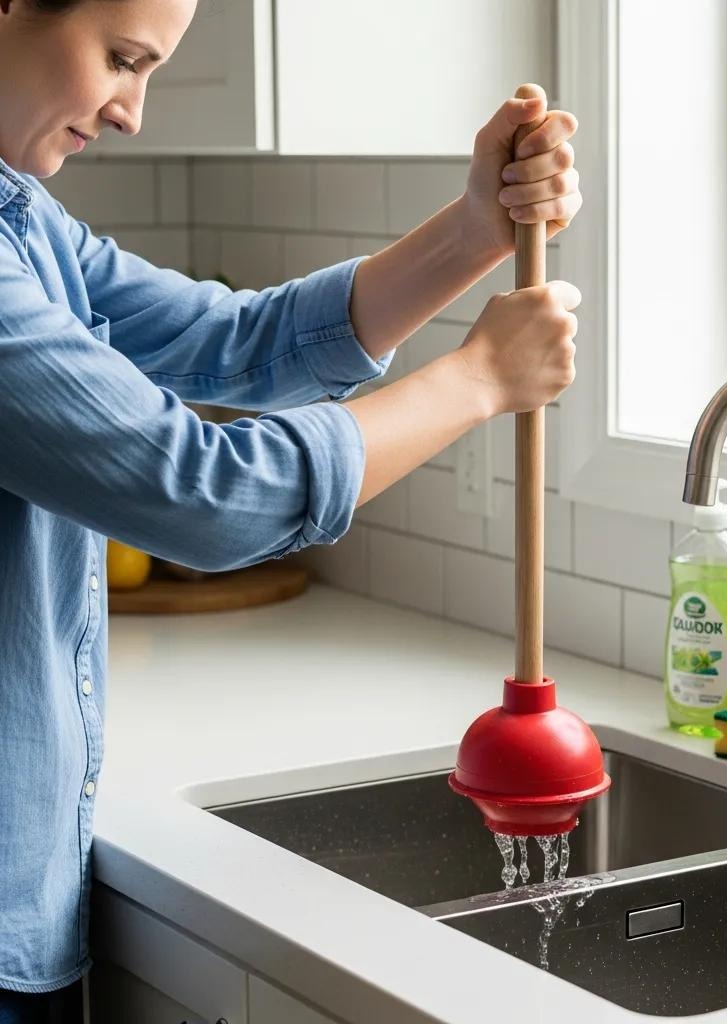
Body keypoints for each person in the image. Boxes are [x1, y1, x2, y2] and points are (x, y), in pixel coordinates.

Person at [0, 0, 583, 1019]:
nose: (133, 110)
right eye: (121, 58)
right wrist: (478, 381)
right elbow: (208, 494)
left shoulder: (21, 219)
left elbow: (238, 341)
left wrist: (470, 232)